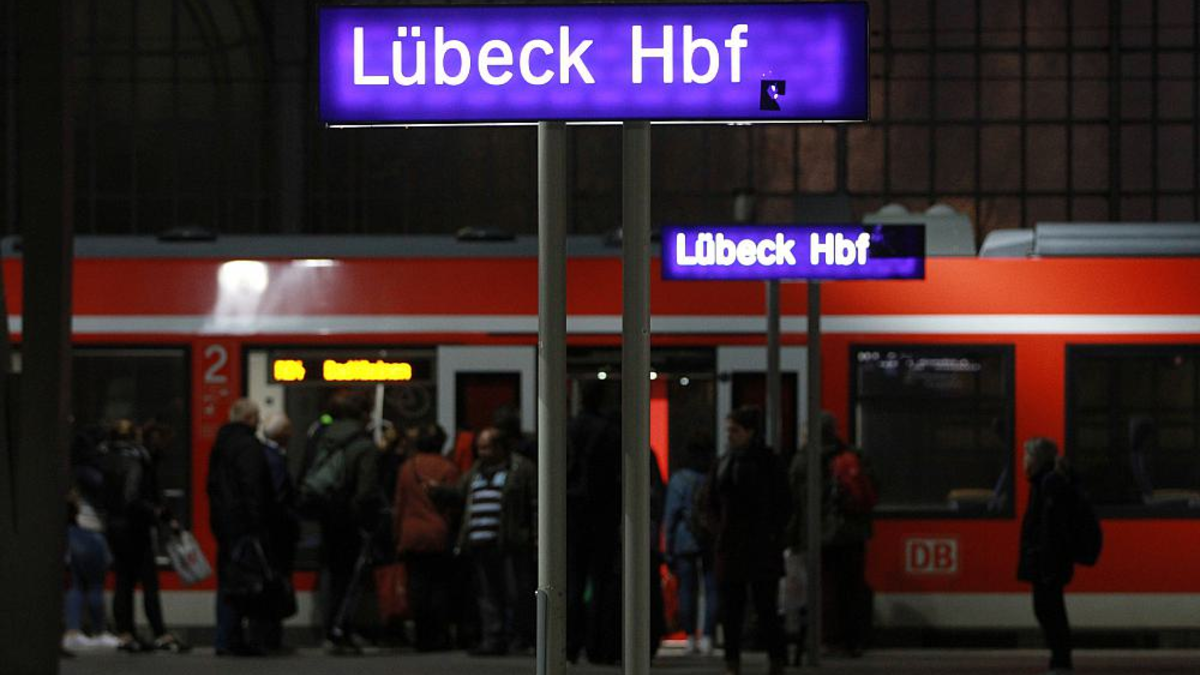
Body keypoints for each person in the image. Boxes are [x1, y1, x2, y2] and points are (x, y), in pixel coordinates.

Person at [706, 406, 790, 675]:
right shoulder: (734, 462)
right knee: (737, 609)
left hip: (752, 546)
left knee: (760, 608)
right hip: (742, 546)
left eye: (734, 430)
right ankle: (741, 660)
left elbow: (783, 504)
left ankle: (768, 659)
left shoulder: (733, 464)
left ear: (749, 432)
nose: (729, 435)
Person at [788, 411, 877, 658]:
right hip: (854, 533)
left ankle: (828, 639)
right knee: (852, 587)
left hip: (821, 535)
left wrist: (793, 538)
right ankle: (853, 640)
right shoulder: (854, 455)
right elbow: (873, 490)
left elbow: (795, 503)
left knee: (825, 588)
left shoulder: (803, 461)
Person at [99, 419, 189, 654]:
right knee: (149, 581)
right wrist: (158, 512)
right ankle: (159, 632)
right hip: (135, 528)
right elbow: (135, 495)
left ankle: (126, 633)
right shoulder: (139, 458)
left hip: (114, 526)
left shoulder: (106, 456)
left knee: (123, 582)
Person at [308, 390, 380, 655]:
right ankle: (341, 630)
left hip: (328, 515)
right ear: (362, 415)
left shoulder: (321, 436)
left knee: (332, 573)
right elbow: (367, 491)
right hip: (351, 520)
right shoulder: (363, 444)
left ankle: (330, 628)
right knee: (349, 577)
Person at [458, 426, 538, 656]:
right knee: (488, 594)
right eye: (479, 448)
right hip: (481, 540)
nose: (482, 453)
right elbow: (460, 493)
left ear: (501, 447)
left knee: (517, 592)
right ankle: (494, 638)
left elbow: (533, 504)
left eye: (486, 447)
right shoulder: (477, 470)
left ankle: (519, 638)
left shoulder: (521, 468)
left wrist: (535, 537)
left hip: (509, 541)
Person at [206, 398, 272, 656]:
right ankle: (242, 638)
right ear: (250, 419)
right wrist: (258, 523)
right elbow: (253, 487)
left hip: (223, 524)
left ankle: (225, 636)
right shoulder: (249, 446)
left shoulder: (220, 444)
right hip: (244, 526)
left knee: (228, 581)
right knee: (250, 582)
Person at [565, 380, 621, 664]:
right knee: (602, 581)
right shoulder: (610, 432)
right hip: (603, 512)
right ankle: (598, 643)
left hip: (572, 512)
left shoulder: (569, 429)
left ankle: (570, 644)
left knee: (572, 580)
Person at [394, 422, 461, 651]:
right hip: (438, 532)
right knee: (439, 586)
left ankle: (422, 636)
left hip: (411, 532)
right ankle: (439, 635)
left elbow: (399, 505)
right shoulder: (447, 468)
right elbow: (454, 505)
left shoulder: (407, 468)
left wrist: (397, 535)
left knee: (417, 587)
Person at [1018, 437, 1076, 675]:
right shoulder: (1042, 482)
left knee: (1048, 609)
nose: (1023, 460)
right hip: (1046, 560)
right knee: (1047, 608)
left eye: (1026, 456)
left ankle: (1061, 661)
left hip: (1048, 562)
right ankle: (1059, 659)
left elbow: (1051, 526)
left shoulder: (1048, 484)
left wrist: (1046, 559)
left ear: (1037, 460)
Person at [663, 437, 718, 656]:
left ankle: (689, 637)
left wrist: (667, 546)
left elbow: (671, 514)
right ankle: (708, 636)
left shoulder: (679, 479)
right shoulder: (713, 477)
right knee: (712, 588)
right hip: (710, 538)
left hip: (684, 538)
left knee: (687, 589)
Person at [261, 411, 300, 652]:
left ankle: (269, 637)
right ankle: (270, 638)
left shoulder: (268, 456)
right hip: (278, 533)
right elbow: (277, 497)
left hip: (274, 531)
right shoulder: (275, 460)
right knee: (276, 583)